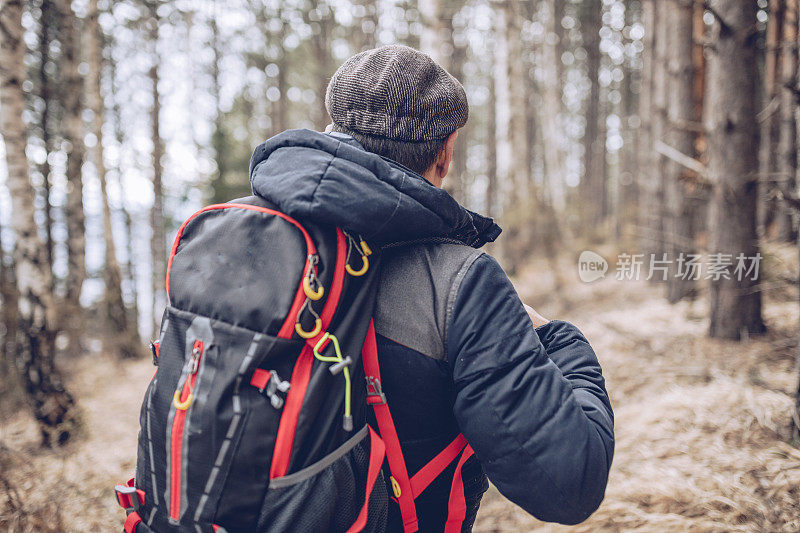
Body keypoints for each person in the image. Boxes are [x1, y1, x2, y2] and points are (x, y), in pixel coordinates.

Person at [250, 44, 614, 531]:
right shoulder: (458, 283)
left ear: (333, 128)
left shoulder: (238, 233)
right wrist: (558, 340)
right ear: (444, 153)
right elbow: (570, 485)